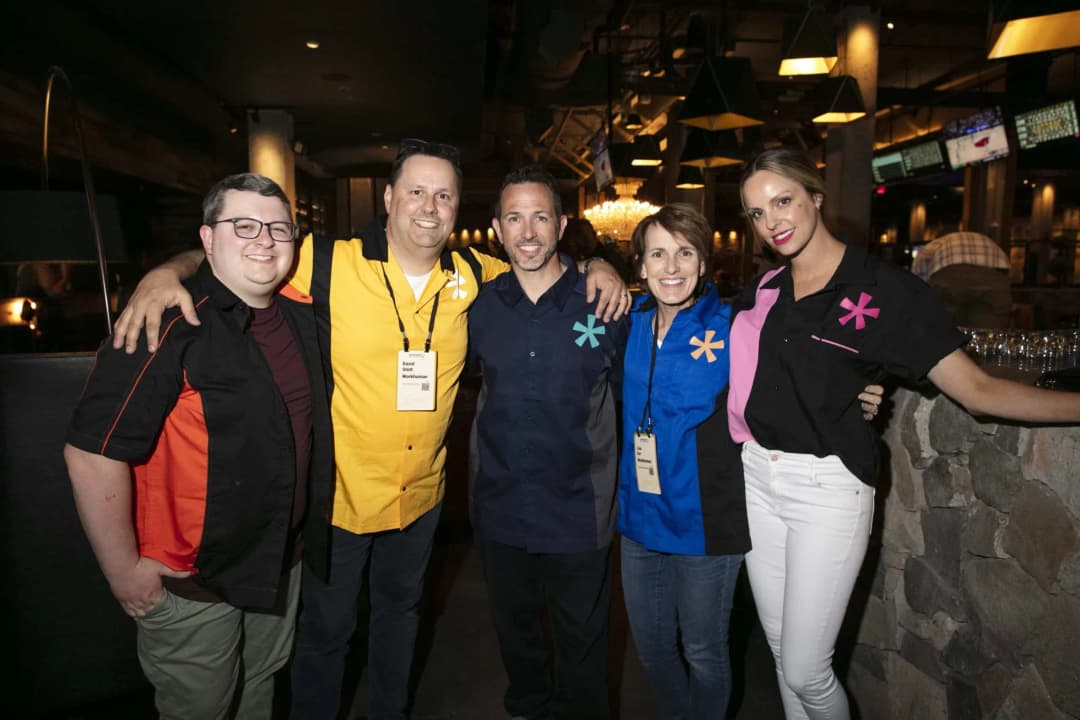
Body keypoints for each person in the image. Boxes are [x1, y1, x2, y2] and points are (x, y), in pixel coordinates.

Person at [110, 140, 630, 720]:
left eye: (443, 195)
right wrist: (165, 272)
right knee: (326, 635)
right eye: (415, 191)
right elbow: (241, 255)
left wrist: (600, 263)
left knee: (399, 622)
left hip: (422, 496)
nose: (428, 207)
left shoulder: (476, 275)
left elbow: (550, 265)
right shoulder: (328, 260)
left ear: (459, 209)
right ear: (388, 197)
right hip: (343, 497)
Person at [730, 147, 1080, 720]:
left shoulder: (888, 292)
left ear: (816, 198)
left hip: (826, 489)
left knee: (804, 670)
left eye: (783, 201)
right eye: (756, 213)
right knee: (780, 657)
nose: (772, 222)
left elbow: (978, 391)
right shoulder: (765, 289)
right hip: (759, 483)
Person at [63, 173, 333, 719]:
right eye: (244, 225)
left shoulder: (302, 315)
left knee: (259, 689)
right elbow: (92, 452)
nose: (264, 239)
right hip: (194, 584)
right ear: (209, 240)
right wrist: (124, 572)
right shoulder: (166, 321)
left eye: (279, 228)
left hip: (280, 564)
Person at [468, 166, 628, 720]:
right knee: (517, 641)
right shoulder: (478, 307)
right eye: (515, 217)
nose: (528, 231)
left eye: (540, 216)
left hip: (579, 509)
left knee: (584, 645)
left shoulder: (604, 303)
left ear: (561, 225)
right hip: (501, 505)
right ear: (497, 229)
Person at [617, 203, 748, 720]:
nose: (671, 267)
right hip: (639, 519)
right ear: (640, 267)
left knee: (704, 653)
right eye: (658, 254)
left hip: (705, 523)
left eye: (685, 253)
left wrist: (862, 386)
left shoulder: (735, 327)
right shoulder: (625, 325)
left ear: (703, 263)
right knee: (652, 650)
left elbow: (798, 372)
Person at [911, 228, 1012, 328]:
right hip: (993, 280)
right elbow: (1007, 271)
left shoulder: (937, 243)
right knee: (988, 333)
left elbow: (918, 279)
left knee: (948, 332)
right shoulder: (986, 241)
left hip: (949, 277)